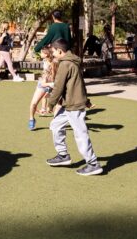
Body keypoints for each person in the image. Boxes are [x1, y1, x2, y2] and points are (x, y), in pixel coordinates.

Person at [45, 39, 103, 176]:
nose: (52, 55)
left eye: (53, 52)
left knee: (80, 133)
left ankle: (93, 163)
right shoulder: (73, 62)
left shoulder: (65, 64)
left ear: (60, 51)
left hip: (73, 104)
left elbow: (59, 86)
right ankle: (63, 155)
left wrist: (50, 104)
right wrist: (87, 100)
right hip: (69, 104)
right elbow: (79, 83)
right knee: (55, 125)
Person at [27, 48, 56, 130]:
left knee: (56, 106)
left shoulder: (54, 63)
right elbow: (44, 75)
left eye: (41, 52)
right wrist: (45, 83)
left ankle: (55, 122)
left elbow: (54, 76)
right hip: (42, 84)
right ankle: (31, 119)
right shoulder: (44, 62)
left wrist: (50, 86)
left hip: (52, 85)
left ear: (46, 54)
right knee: (33, 103)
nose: (40, 54)